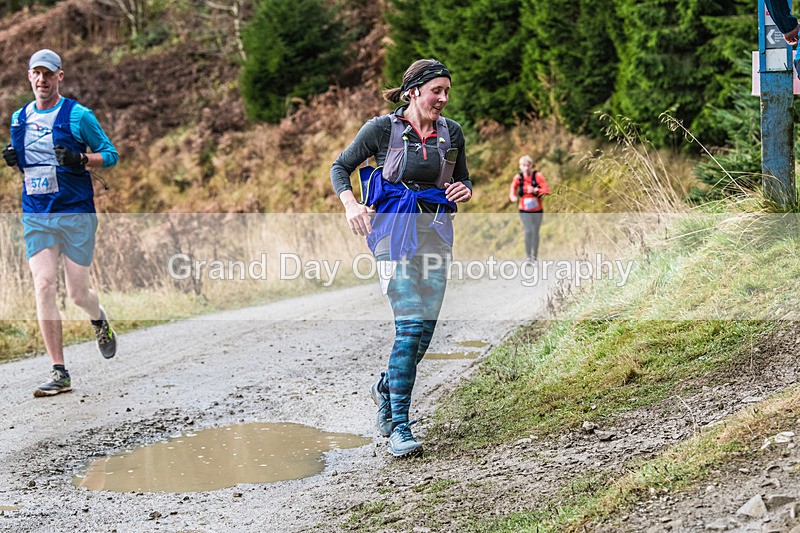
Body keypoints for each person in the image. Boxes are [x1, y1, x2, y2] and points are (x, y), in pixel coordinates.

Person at [330, 59, 472, 457]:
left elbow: (463, 177)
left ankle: (385, 387)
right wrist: (351, 205)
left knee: (423, 333)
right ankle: (401, 427)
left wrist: (464, 189)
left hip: (436, 235)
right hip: (391, 236)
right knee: (410, 326)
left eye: (447, 91)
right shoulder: (380, 130)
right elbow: (340, 167)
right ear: (413, 92)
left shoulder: (452, 133)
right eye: (436, 91)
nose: (443, 99)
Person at [2, 49, 119, 397]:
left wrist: (82, 158)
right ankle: (59, 371)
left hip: (76, 213)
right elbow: (29, 165)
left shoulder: (78, 115)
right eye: (36, 74)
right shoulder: (19, 119)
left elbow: (110, 155)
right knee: (43, 284)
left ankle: (98, 318)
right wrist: (13, 159)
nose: (42, 80)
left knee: (78, 292)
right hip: (37, 214)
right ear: (29, 77)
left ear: (59, 77)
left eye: (48, 74)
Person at [508, 155, 550, 262]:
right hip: (524, 210)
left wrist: (536, 191)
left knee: (536, 232)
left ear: (532, 165)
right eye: (524, 165)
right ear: (520, 166)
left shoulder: (537, 176)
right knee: (528, 231)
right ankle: (528, 257)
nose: (526, 168)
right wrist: (513, 196)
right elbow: (513, 187)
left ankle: (534, 257)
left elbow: (547, 190)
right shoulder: (518, 177)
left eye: (528, 165)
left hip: (537, 210)